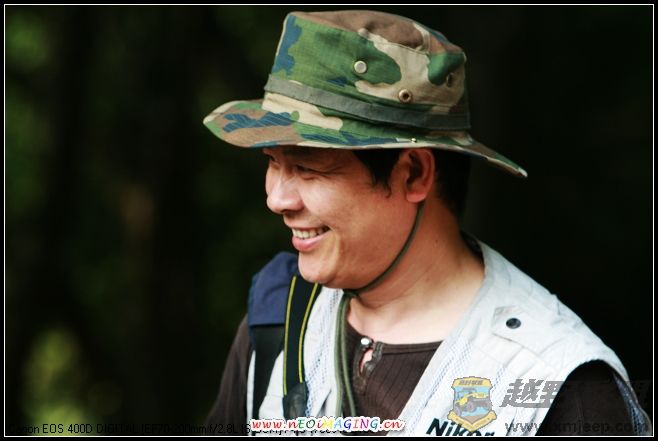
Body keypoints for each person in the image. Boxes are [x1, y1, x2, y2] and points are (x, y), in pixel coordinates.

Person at [202, 10, 651, 436]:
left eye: (307, 168)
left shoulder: (559, 387)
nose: (277, 198)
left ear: (414, 173)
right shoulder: (279, 316)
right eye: (273, 162)